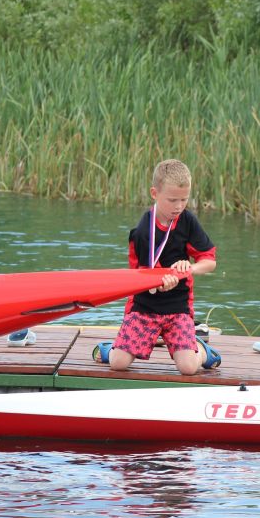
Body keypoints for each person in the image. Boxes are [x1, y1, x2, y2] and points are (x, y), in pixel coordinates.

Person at [100, 159, 218, 376]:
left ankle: (202, 351)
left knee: (188, 368)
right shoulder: (144, 231)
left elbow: (210, 262)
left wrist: (189, 269)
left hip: (178, 306)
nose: (179, 206)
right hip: (146, 305)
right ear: (154, 193)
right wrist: (162, 284)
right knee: (119, 364)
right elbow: (144, 282)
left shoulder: (187, 221)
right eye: (172, 200)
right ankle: (110, 349)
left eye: (184, 199)